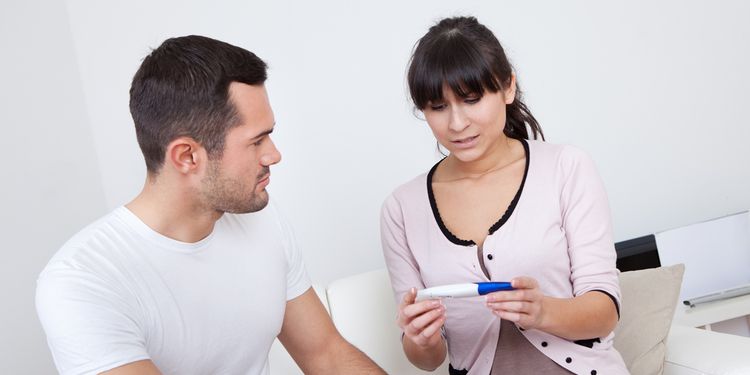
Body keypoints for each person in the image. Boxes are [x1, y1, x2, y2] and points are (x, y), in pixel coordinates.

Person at [36, 35, 385, 375]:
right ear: (187, 156)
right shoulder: (82, 281)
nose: (274, 155)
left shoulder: (261, 219)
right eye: (257, 141)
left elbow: (326, 355)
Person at [380, 16, 628, 375]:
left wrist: (543, 311)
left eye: (471, 99)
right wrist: (421, 339)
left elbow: (605, 312)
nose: (457, 123)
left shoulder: (566, 168)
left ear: (508, 88)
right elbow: (427, 360)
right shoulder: (401, 209)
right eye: (438, 107)